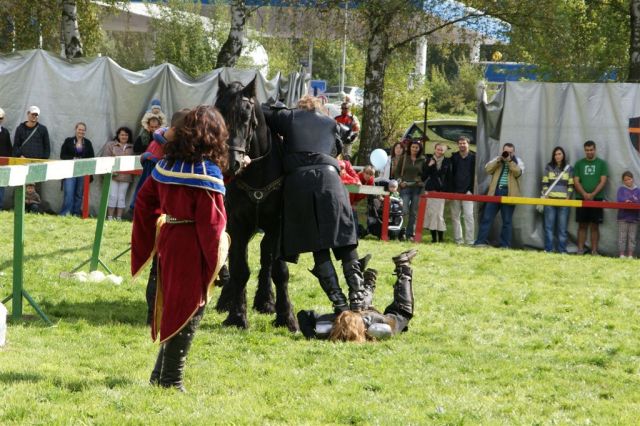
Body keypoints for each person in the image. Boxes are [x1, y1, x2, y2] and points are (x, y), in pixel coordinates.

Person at [131, 105, 229, 392]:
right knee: (190, 308)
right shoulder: (205, 172)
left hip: (170, 238)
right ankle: (171, 380)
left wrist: (153, 233)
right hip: (192, 244)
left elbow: (144, 202)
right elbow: (211, 226)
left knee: (175, 306)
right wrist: (219, 264)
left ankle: (159, 376)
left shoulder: (166, 166)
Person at [263, 95, 369, 312]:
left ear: (300, 107)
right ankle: (358, 297)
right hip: (329, 180)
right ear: (320, 109)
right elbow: (345, 140)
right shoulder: (331, 123)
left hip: (298, 184)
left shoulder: (289, 116)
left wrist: (279, 106)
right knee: (344, 240)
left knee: (317, 243)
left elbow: (262, 110)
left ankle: (338, 301)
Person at [132, 109, 190, 325]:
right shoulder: (158, 150)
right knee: (160, 270)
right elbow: (147, 193)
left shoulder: (188, 151)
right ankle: (153, 315)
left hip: (181, 224)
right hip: (165, 221)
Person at [297, 249, 416, 342]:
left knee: (365, 307)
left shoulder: (330, 326)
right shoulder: (376, 324)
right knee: (403, 312)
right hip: (369, 317)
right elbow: (398, 314)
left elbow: (303, 315)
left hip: (362, 316)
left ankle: (371, 281)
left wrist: (311, 336)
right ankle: (400, 267)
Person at [474, 142, 524, 248]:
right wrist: (499, 160)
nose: (508, 154)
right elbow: (487, 169)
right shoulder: (497, 159)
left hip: (509, 194)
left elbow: (518, 173)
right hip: (495, 192)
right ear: (503, 150)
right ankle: (480, 242)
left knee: (507, 221)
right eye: (506, 152)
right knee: (487, 218)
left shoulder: (518, 161)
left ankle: (505, 245)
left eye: (510, 152)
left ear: (513, 152)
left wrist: (509, 161)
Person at [573, 140, 608, 255]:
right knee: (582, 225)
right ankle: (580, 250)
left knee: (594, 225)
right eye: (587, 150)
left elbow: (603, 181)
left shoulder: (602, 164)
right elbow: (576, 181)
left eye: (591, 150)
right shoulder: (578, 164)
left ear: (595, 149)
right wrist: (584, 194)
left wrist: (592, 194)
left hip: (597, 198)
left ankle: (594, 251)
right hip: (581, 198)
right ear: (584, 151)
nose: (589, 152)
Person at [540, 147, 573, 253]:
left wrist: (568, 196)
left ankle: (562, 250)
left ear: (563, 155)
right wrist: (547, 195)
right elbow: (544, 182)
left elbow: (571, 184)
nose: (558, 156)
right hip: (550, 201)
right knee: (549, 227)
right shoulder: (549, 167)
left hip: (564, 201)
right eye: (556, 154)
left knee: (562, 228)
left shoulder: (568, 168)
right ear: (553, 156)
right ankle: (548, 249)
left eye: (560, 154)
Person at [59, 122, 95, 216]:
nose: (81, 131)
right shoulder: (68, 141)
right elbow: (62, 155)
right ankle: (65, 213)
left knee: (79, 194)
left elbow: (92, 157)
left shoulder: (87, 143)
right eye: (79, 129)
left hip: (82, 171)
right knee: (69, 192)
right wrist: (73, 159)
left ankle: (76, 213)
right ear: (75, 129)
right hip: (70, 171)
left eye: (83, 130)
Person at [102, 126, 134, 220]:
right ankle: (110, 217)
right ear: (118, 135)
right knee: (112, 196)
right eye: (122, 134)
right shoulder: (111, 145)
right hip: (113, 175)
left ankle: (119, 217)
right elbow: (106, 157)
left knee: (121, 197)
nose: (124, 136)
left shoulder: (132, 147)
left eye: (126, 135)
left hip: (126, 176)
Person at [396, 140, 426, 240]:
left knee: (413, 212)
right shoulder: (404, 158)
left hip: (417, 188)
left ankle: (410, 234)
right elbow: (396, 173)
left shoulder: (423, 160)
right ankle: (400, 232)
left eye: (416, 147)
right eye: (413, 147)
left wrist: (421, 180)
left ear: (419, 149)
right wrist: (400, 182)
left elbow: (425, 175)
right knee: (404, 210)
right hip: (405, 187)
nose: (414, 149)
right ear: (409, 148)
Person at [422, 142, 451, 243]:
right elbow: (423, 177)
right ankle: (434, 239)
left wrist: (447, 193)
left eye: (441, 150)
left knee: (438, 215)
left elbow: (449, 178)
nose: (439, 151)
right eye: (438, 149)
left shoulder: (447, 161)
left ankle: (441, 238)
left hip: (441, 191)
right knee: (431, 214)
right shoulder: (428, 160)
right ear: (435, 149)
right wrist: (429, 166)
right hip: (430, 191)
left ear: (444, 151)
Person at [450, 136, 476, 245]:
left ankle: (470, 240)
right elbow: (450, 174)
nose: (462, 145)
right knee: (455, 217)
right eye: (460, 143)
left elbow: (476, 175)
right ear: (457, 145)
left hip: (468, 192)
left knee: (469, 216)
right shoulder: (454, 157)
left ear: (468, 144)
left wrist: (471, 190)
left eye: (464, 143)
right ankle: (458, 240)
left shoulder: (474, 157)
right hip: (455, 191)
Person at [616, 171, 640, 258]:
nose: (627, 181)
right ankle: (622, 254)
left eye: (629, 179)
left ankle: (630, 255)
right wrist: (626, 201)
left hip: (634, 218)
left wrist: (633, 201)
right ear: (623, 181)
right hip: (623, 217)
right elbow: (619, 200)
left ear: (632, 179)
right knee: (622, 237)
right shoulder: (621, 189)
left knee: (632, 237)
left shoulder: (638, 190)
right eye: (625, 180)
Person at [0, 107, 11, 209]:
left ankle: (0, 207)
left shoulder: (5, 132)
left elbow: (8, 148)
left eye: (0, 118)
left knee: (1, 185)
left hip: (2, 164)